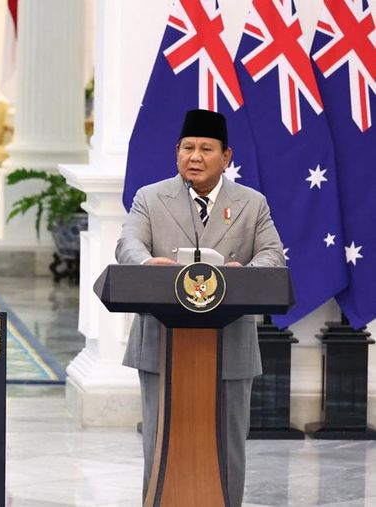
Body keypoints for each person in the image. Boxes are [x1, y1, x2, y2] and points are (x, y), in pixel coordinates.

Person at [115, 109, 284, 506]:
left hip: (231, 347)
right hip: (161, 345)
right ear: (177, 152)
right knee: (160, 442)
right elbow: (128, 244)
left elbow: (272, 255)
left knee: (228, 448)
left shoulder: (251, 203)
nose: (195, 156)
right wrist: (145, 265)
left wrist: (248, 274)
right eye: (187, 148)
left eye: (206, 149)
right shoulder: (150, 198)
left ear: (226, 157)